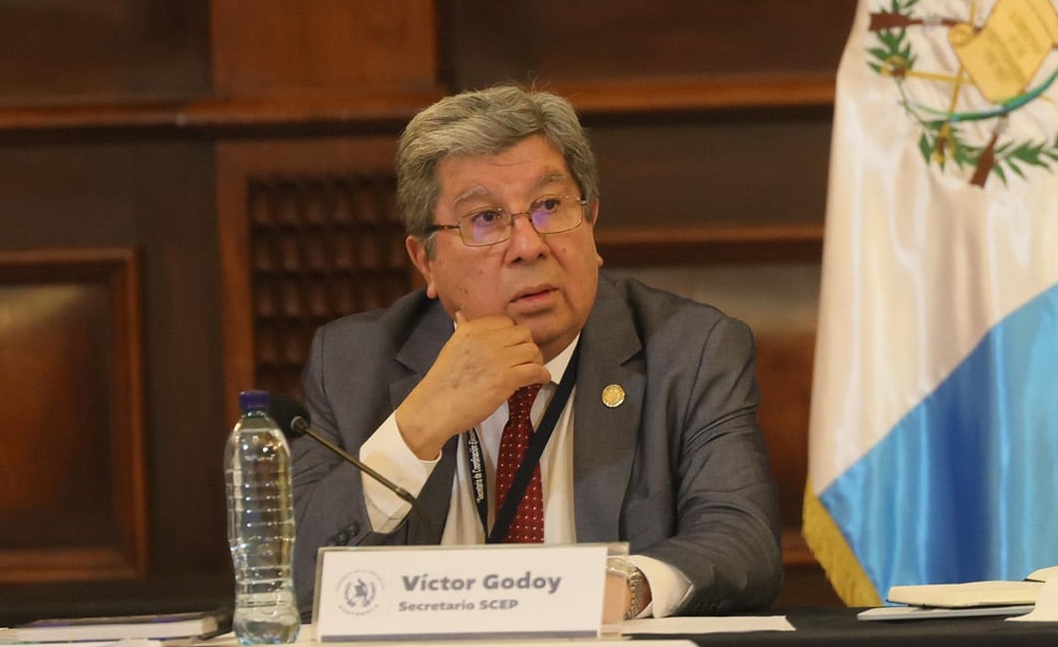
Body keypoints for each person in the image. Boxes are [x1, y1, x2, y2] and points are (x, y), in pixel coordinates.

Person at [292, 85, 783, 619]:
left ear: (591, 222)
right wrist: (415, 430)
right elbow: (295, 581)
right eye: (485, 219)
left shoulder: (690, 351)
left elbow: (743, 539)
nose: (530, 244)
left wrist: (624, 589)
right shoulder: (352, 363)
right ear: (426, 261)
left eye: (549, 206)